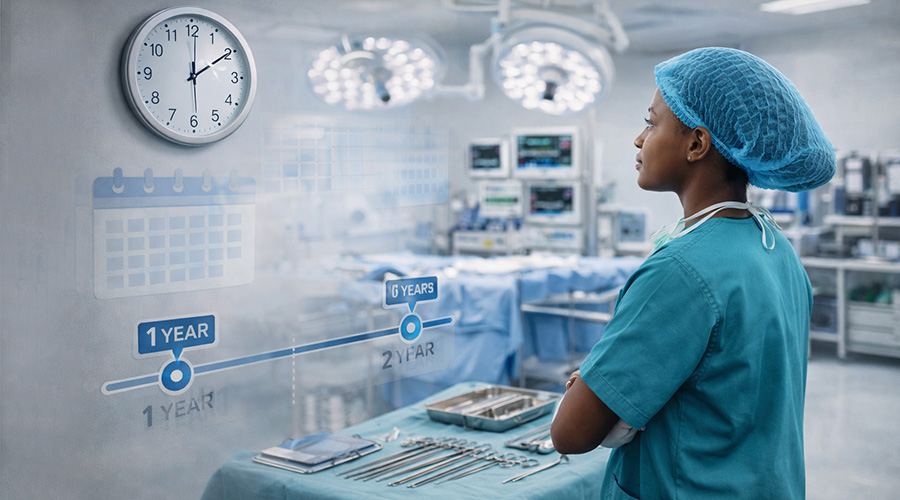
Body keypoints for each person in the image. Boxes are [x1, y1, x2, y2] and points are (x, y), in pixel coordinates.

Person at [550, 47, 835, 499]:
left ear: (697, 144)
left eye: (651, 122)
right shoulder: (775, 248)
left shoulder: (679, 271)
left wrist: (591, 377)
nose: (640, 140)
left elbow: (571, 434)